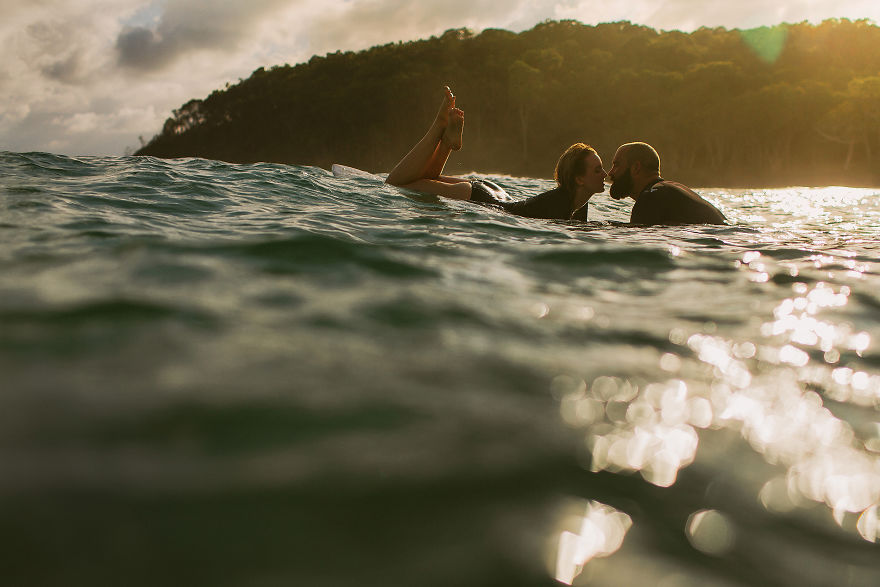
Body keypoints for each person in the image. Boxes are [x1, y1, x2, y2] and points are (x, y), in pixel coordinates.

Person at [385, 87, 606, 221]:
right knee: (396, 183)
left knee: (424, 180)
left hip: (496, 193)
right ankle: (438, 126)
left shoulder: (578, 203)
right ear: (579, 179)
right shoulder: (563, 204)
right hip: (480, 197)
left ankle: (447, 144)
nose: (605, 174)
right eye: (597, 170)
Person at [607, 142, 727, 225]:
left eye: (616, 165)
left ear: (636, 168)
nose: (610, 172)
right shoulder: (672, 189)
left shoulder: (651, 197)